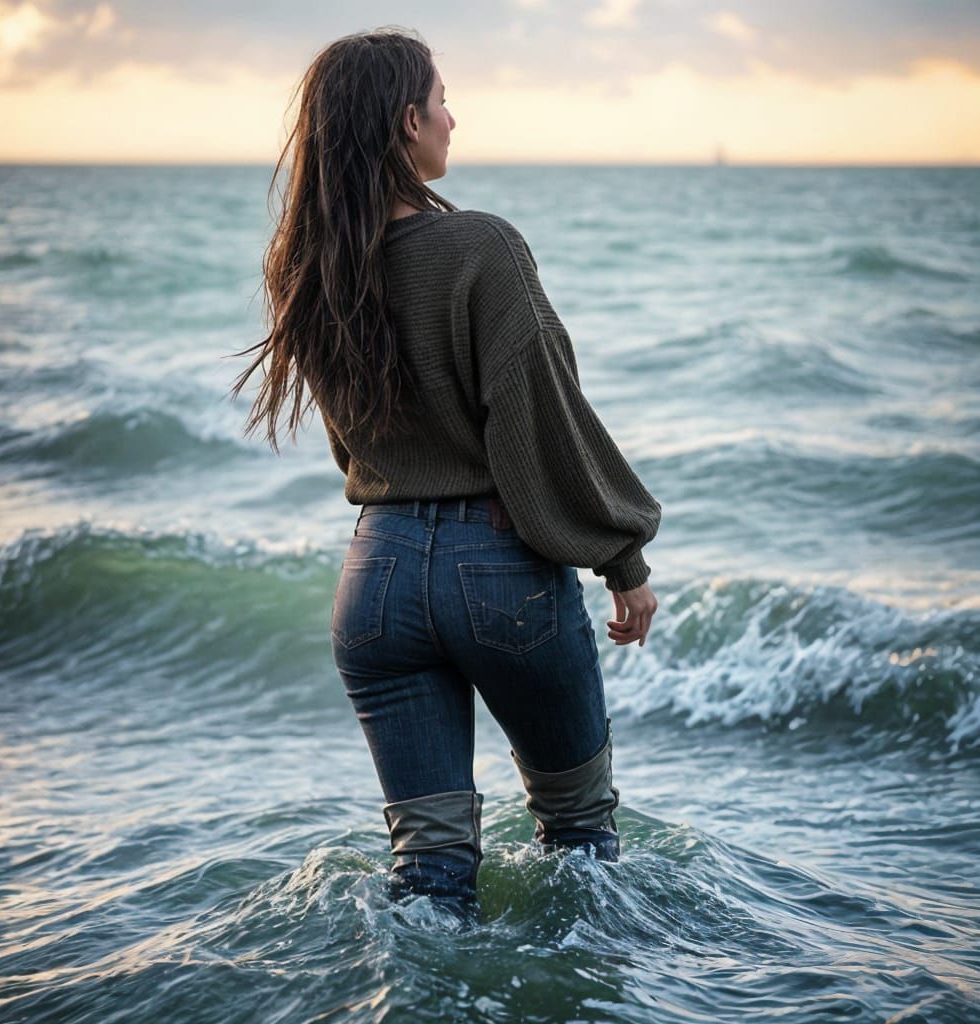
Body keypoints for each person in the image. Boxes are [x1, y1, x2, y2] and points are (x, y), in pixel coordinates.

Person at [230, 27, 661, 916]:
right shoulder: (481, 248)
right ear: (405, 123)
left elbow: (357, 448)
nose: (453, 120)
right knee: (579, 835)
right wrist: (624, 561)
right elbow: (544, 420)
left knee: (426, 872)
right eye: (441, 102)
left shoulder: (308, 273)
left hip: (375, 578)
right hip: (495, 571)